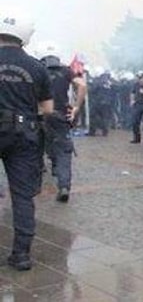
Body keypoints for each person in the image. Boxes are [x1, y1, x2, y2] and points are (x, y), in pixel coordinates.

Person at [0, 7, 55, 270]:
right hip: (24, 135)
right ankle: (21, 255)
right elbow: (47, 109)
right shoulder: (36, 67)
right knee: (22, 196)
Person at [39, 44, 87, 203]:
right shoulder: (66, 70)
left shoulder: (37, 69)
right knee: (64, 152)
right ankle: (64, 186)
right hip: (61, 115)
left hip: (40, 115)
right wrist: (76, 108)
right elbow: (82, 85)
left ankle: (33, 186)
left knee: (37, 148)